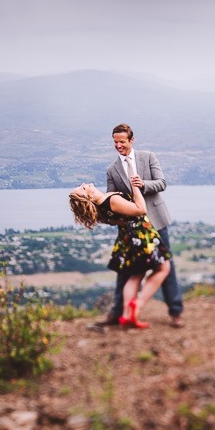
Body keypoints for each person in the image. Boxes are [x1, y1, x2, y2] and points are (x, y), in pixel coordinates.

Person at [100, 123, 184, 328]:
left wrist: (143, 184)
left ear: (131, 140)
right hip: (133, 226)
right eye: (115, 142)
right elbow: (113, 197)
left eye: (122, 141)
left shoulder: (148, 157)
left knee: (167, 265)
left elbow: (162, 183)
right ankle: (118, 312)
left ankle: (175, 311)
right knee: (125, 270)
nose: (118, 145)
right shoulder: (112, 170)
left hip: (156, 220)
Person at [69, 182, 171, 328]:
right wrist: (136, 188)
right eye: (84, 188)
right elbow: (141, 209)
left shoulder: (101, 206)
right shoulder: (111, 201)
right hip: (141, 235)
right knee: (164, 268)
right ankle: (138, 303)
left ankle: (126, 316)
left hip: (127, 238)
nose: (85, 184)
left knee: (136, 275)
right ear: (89, 197)